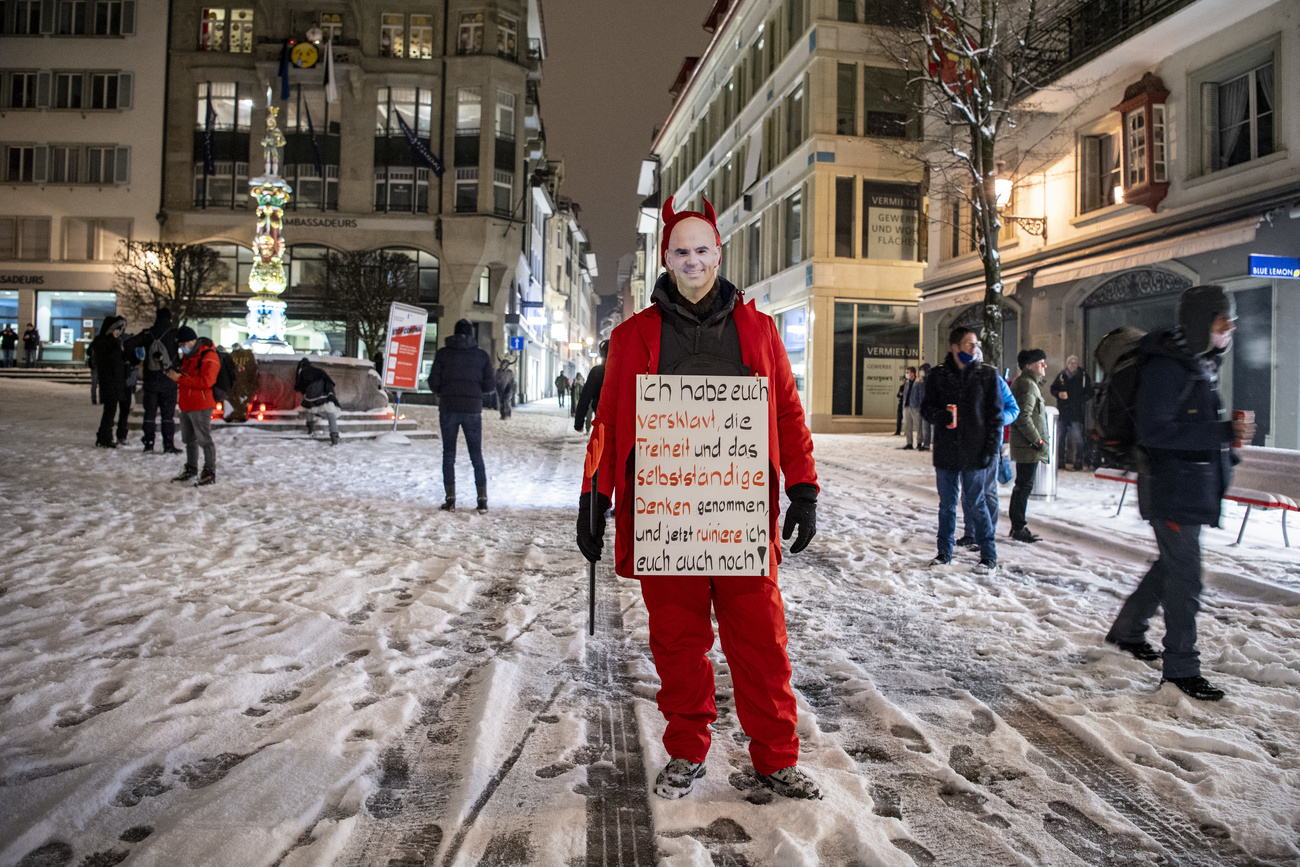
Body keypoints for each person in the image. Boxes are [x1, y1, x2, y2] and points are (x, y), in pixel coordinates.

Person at [576, 195, 822, 802]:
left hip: (740, 513)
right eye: (681, 252)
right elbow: (607, 420)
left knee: (762, 641)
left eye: (702, 250)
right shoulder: (633, 336)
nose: (692, 261)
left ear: (719, 252)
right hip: (665, 515)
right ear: (667, 257)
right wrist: (593, 496)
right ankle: (687, 750)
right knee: (678, 643)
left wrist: (803, 486)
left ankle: (775, 757)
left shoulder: (760, 331)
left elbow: (787, 412)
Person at [1105, 286, 1251, 702]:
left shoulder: (1197, 364)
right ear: (1201, 321)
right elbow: (1156, 431)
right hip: (1170, 487)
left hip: (1190, 486)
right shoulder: (1169, 368)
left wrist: (1226, 450)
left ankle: (1128, 631)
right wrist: (1222, 432)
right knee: (1185, 579)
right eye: (1223, 320)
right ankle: (1181, 668)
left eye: (1231, 322)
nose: (1229, 329)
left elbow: (1189, 427)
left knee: (1170, 568)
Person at [920, 327, 1002, 573]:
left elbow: (995, 416)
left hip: (975, 451)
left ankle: (989, 556)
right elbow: (926, 409)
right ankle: (944, 553)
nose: (973, 348)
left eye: (975, 344)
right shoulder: (938, 375)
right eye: (968, 343)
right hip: (947, 450)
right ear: (954, 347)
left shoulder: (987, 375)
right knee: (947, 504)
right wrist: (941, 416)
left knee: (976, 503)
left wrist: (991, 449)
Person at [429, 319, 496, 512]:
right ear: (471, 335)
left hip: (448, 407)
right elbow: (490, 385)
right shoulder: (481, 356)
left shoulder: (443, 353)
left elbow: (433, 382)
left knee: (449, 454)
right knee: (476, 455)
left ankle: (450, 500)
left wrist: (445, 391)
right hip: (472, 409)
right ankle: (482, 500)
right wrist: (475, 391)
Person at [955, 350, 1019, 551]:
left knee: (987, 488)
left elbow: (1013, 409)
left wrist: (998, 420)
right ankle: (970, 532)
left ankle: (987, 532)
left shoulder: (996, 381)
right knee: (968, 490)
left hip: (989, 443)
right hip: (965, 443)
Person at [166, 327, 219, 486]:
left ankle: (209, 471)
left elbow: (206, 381)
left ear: (191, 341)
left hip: (201, 404)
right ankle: (191, 468)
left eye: (183, 344)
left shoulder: (208, 354)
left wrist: (180, 378)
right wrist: (175, 376)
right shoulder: (189, 356)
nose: (182, 347)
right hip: (187, 404)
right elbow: (187, 378)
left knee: (204, 439)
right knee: (189, 440)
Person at [1008, 349, 1050, 543]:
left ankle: (1017, 525)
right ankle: (1018, 527)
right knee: (1023, 487)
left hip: (1027, 446)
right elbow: (1023, 417)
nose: (1045, 366)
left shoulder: (1028, 383)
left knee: (1022, 486)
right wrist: (1037, 441)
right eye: (1041, 362)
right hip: (1028, 447)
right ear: (1029, 365)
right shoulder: (1027, 385)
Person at [126, 308, 181, 455]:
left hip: (150, 381)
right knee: (168, 415)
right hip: (169, 380)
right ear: (169, 318)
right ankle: (168, 445)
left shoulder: (147, 334)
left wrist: (136, 361)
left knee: (149, 414)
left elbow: (129, 344)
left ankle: (149, 444)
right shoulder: (174, 334)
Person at [90, 316, 129, 448]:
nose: (118, 332)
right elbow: (108, 360)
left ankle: (103, 436)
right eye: (117, 329)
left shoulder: (112, 342)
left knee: (110, 411)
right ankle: (105, 437)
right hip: (109, 381)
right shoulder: (105, 342)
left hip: (114, 381)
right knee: (110, 411)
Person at [1050, 354, 1092, 471]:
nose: (1073, 365)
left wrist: (1078, 400)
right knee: (1061, 437)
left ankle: (1078, 461)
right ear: (1067, 364)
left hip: (1076, 412)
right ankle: (1060, 461)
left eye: (1075, 363)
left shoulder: (1083, 376)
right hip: (1063, 411)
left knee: (1078, 437)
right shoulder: (1062, 376)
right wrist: (1059, 394)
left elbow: (1090, 392)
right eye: (1071, 363)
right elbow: (1053, 388)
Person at [294, 356, 342, 445]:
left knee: (309, 407)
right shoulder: (318, 370)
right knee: (330, 412)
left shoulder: (303, 372)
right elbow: (329, 382)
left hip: (311, 394)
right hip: (325, 392)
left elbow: (299, 387)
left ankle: (310, 428)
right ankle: (334, 437)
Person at [573, 340, 608, 434]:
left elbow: (585, 397)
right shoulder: (626, 371)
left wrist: (579, 423)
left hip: (603, 421)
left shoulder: (597, 372)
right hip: (625, 424)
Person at [900, 367, 920, 449]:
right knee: (907, 425)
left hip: (915, 407)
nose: (907, 374)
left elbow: (920, 394)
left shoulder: (918, 382)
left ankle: (919, 442)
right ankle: (909, 443)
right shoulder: (907, 383)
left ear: (913, 373)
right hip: (907, 406)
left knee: (918, 425)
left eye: (908, 372)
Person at [917, 363, 933, 451]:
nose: (921, 373)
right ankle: (926, 443)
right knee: (925, 426)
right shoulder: (924, 380)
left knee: (927, 426)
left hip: (929, 405)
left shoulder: (929, 380)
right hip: (926, 404)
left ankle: (927, 444)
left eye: (922, 370)